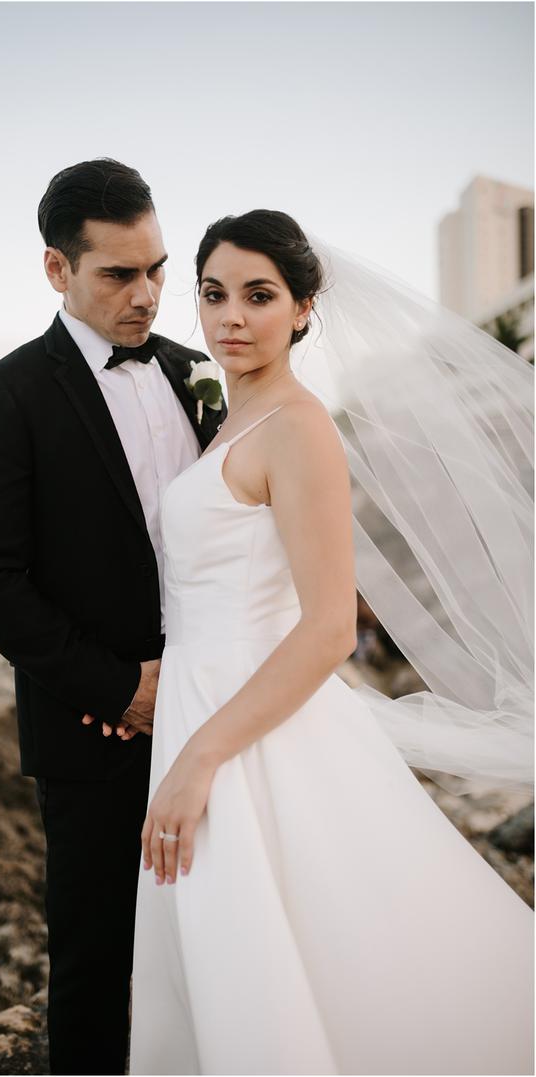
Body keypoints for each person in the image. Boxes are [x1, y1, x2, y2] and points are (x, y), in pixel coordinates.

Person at [129, 210, 533, 1074]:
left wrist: (199, 757)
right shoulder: (233, 423)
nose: (231, 316)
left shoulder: (298, 427)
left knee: (291, 952)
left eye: (259, 295)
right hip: (203, 704)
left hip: (248, 731)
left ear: (305, 309)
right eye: (213, 294)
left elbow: (327, 629)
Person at [0, 158, 221, 1075]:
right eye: (117, 274)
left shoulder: (199, 374)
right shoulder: (8, 392)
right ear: (57, 270)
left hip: (214, 709)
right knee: (94, 963)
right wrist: (118, 688)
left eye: (155, 269)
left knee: (222, 944)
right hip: (90, 732)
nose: (147, 295)